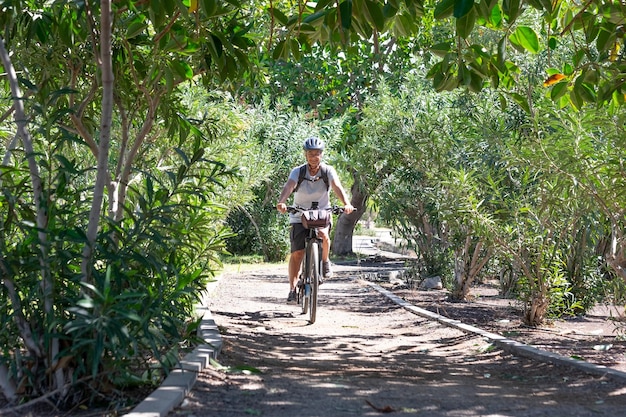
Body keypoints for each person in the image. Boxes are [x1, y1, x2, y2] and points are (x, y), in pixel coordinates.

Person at [276, 137, 355, 303]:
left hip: (321, 214)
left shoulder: (328, 171)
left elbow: (337, 187)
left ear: (321, 154)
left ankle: (325, 262)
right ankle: (292, 288)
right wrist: (282, 202)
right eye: (311, 153)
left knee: (323, 235)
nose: (314, 157)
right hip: (299, 215)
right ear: (305, 155)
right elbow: (289, 186)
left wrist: (346, 204)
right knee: (297, 253)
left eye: (317, 153)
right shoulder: (298, 172)